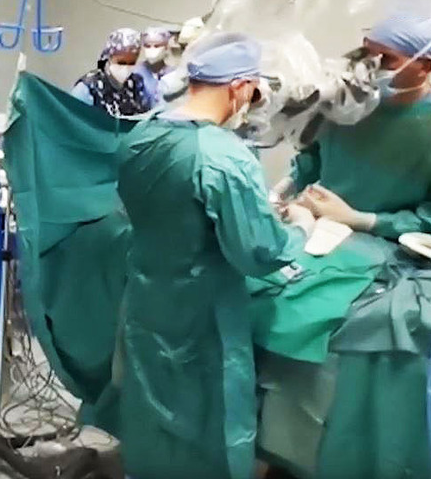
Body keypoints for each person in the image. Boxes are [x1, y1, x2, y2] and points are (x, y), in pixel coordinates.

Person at [113, 35, 311, 479]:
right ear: (239, 87)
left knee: (151, 409)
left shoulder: (142, 132)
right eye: (254, 89)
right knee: (210, 423)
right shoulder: (222, 156)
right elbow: (259, 253)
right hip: (203, 316)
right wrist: (300, 228)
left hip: (146, 300)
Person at [272, 14, 431, 259]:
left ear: (425, 66)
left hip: (385, 246)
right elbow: (314, 157)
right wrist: (281, 191)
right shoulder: (349, 101)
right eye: (366, 54)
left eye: (387, 59)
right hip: (316, 224)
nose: (369, 67)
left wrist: (363, 220)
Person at [71, 28, 152, 117]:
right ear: (109, 57)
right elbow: (72, 120)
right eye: (120, 61)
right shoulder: (88, 88)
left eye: (131, 61)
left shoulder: (137, 85)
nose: (125, 67)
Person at [135, 27, 175, 108]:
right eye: (147, 46)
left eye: (157, 46)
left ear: (166, 47)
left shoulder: (173, 74)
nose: (151, 49)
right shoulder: (135, 73)